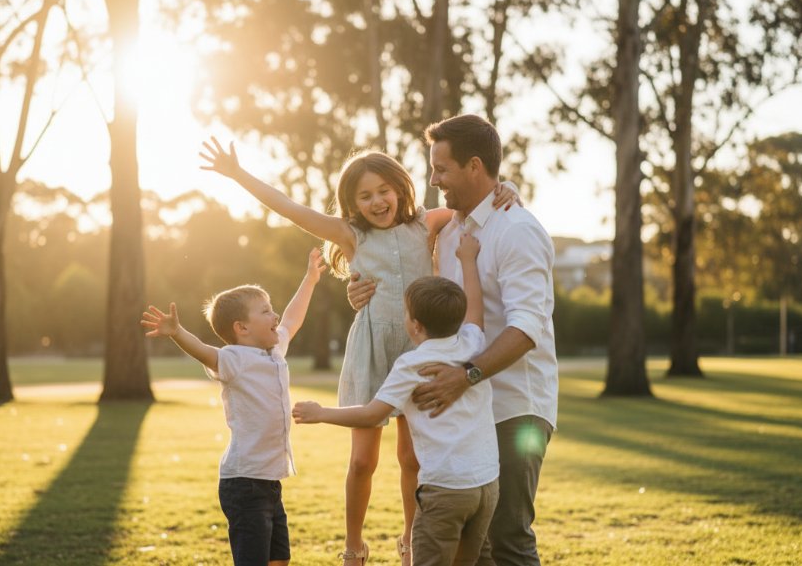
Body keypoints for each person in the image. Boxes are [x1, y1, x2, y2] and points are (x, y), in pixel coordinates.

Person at [198, 138, 520, 565]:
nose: (377, 201)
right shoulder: (351, 235)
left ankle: (410, 541)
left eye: (383, 191)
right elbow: (293, 210)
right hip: (371, 349)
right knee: (363, 461)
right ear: (351, 203)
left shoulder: (426, 223)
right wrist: (238, 174)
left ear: (400, 188)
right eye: (364, 196)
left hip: (418, 349)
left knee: (412, 457)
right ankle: (354, 545)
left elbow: (473, 206)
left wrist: (508, 186)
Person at [348, 114, 558, 566]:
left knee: (508, 539)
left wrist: (467, 375)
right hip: (467, 413)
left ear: (475, 166)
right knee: (474, 549)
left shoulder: (517, 229)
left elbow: (527, 328)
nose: (433, 179)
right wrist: (360, 289)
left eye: (441, 169)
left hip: (513, 407)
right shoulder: (449, 231)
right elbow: (411, 287)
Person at [294, 233, 499, 566]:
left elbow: (372, 413)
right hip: (487, 484)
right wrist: (467, 261)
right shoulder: (472, 342)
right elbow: (475, 307)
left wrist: (321, 413)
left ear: (414, 326)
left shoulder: (412, 364)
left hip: (444, 490)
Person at [140, 249, 327, 566]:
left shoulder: (274, 349)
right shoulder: (233, 359)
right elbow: (204, 352)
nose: (275, 316)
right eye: (266, 312)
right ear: (242, 328)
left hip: (269, 482)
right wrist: (177, 333)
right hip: (244, 484)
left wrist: (310, 278)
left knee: (279, 559)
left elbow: (293, 318)